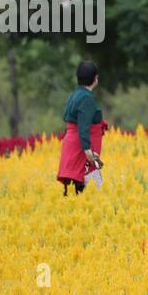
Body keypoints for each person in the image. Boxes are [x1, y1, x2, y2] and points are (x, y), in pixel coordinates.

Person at [57, 61, 106, 196]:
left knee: (73, 186)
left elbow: (67, 119)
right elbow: (83, 127)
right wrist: (88, 152)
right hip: (81, 148)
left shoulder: (75, 95)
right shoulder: (86, 99)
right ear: (95, 78)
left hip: (72, 145)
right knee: (89, 188)